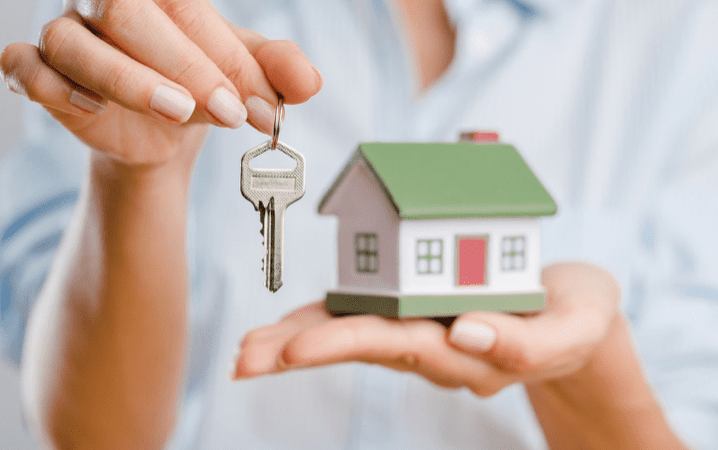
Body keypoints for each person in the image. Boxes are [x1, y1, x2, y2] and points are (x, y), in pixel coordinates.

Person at [1, 0, 717, 448]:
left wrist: (585, 370)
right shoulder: (155, 17)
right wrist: (139, 177)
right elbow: (91, 439)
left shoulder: (681, 36)